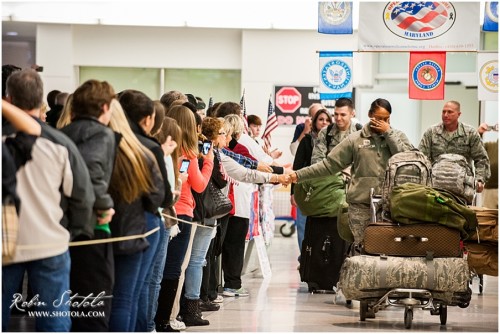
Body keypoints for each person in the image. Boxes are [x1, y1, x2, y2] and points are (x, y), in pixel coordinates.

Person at [2, 69, 95, 332]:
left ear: (8, 100)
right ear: (41, 100)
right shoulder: (61, 144)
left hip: (4, 243)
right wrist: (74, 233)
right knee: (54, 318)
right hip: (51, 242)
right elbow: (81, 196)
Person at [287, 98, 414, 247]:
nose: (381, 122)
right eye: (377, 118)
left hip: (391, 207)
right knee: (361, 250)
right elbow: (329, 165)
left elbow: (408, 162)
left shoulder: (398, 136)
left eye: (385, 119)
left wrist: (389, 134)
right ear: (369, 115)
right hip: (361, 207)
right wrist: (298, 175)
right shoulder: (355, 139)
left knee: (389, 250)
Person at [60, 79, 117, 332]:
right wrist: (104, 205)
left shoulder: (64, 131)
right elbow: (91, 170)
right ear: (104, 107)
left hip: (65, 225)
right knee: (94, 304)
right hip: (92, 228)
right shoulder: (101, 134)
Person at [106, 98, 165, 332]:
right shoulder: (145, 148)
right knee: (127, 296)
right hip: (136, 224)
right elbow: (159, 196)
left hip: (100, 225)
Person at [118, 89, 173, 331]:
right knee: (132, 291)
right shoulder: (150, 147)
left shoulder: (113, 139)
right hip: (143, 222)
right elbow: (162, 196)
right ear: (148, 119)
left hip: (111, 221)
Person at [418, 100, 491, 194]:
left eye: (450, 112)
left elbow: (481, 158)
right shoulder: (431, 132)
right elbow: (422, 158)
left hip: (462, 186)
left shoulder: (469, 133)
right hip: (436, 185)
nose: (445, 115)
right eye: (443, 112)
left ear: (458, 114)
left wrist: (480, 180)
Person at [290, 108, 332, 265]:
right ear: (314, 122)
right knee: (302, 225)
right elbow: (297, 166)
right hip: (306, 189)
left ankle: (321, 257)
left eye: (327, 120)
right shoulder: (307, 141)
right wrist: (293, 192)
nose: (324, 123)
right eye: (321, 119)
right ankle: (305, 257)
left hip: (327, 190)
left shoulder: (334, 142)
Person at [478, 122, 498, 209]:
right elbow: (476, 147)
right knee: (489, 218)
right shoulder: (490, 145)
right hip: (490, 190)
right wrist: (479, 133)